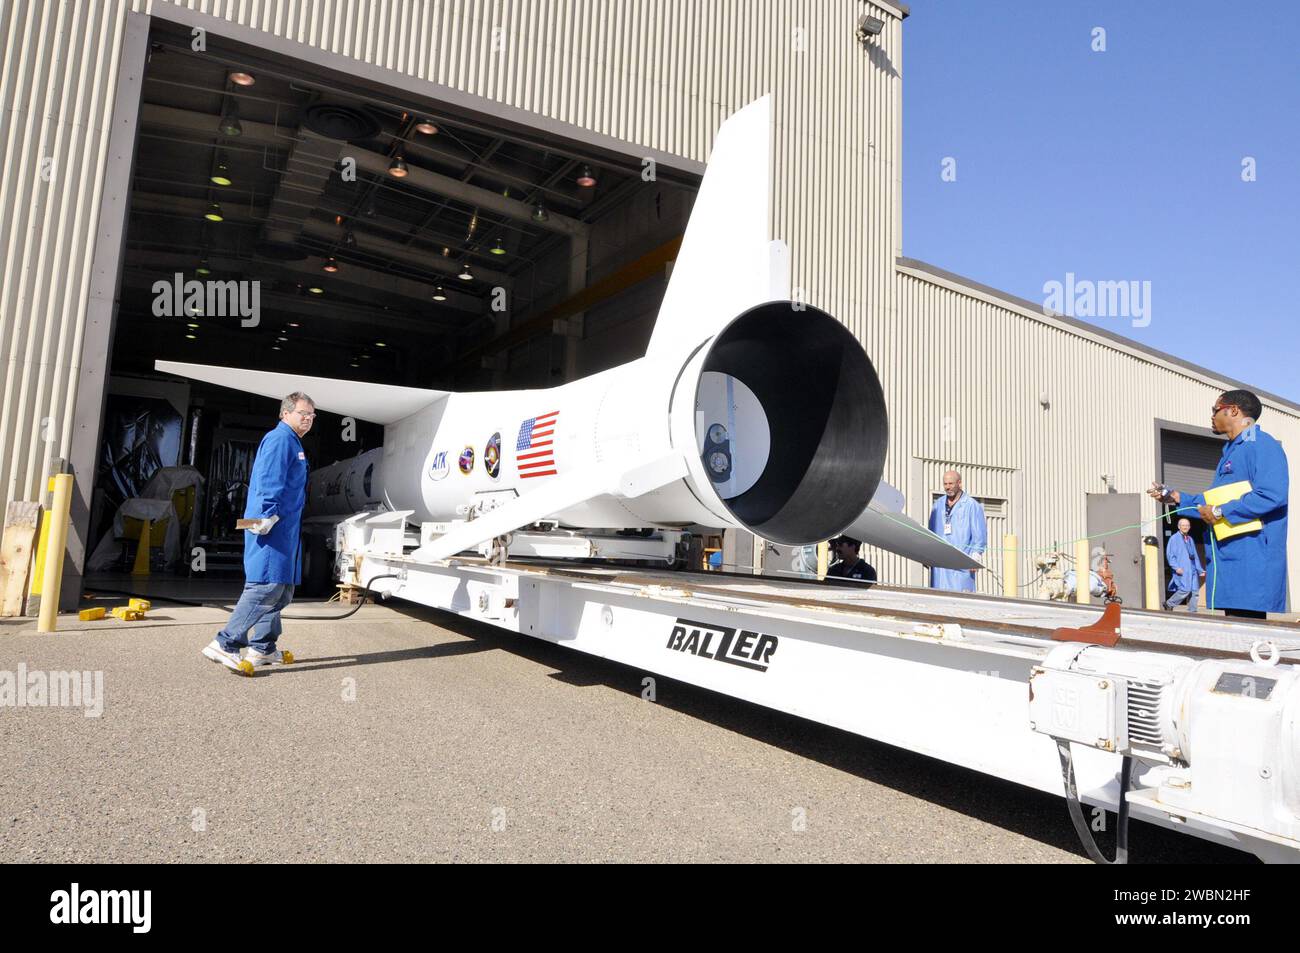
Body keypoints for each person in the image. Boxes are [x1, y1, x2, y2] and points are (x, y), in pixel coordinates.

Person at [1148, 389, 1288, 618]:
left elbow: (1272, 495)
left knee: (1247, 634)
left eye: (1215, 410)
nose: (1212, 416)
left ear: (1233, 410)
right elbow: (1210, 502)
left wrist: (1221, 511)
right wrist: (1175, 497)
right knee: (1235, 634)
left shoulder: (1261, 445)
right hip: (1231, 559)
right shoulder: (1232, 453)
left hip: (1251, 559)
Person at [202, 392, 314, 671]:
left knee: (282, 590)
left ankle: (263, 647)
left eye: (312, 416)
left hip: (285, 529)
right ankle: (225, 643)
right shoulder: (280, 440)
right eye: (303, 413)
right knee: (266, 586)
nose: (308, 419)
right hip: (271, 526)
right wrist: (264, 517)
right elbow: (268, 481)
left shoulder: (292, 442)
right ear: (285, 413)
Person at [927, 470, 987, 591]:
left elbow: (979, 536)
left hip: (961, 566)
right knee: (938, 599)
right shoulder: (937, 505)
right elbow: (930, 532)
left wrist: (975, 557)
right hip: (940, 566)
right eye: (945, 484)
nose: (947, 487)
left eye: (951, 483)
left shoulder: (971, 505)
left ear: (959, 483)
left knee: (960, 601)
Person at [1164, 517, 1205, 612]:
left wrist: (1199, 570)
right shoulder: (1174, 538)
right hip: (1183, 568)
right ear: (1179, 527)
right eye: (1183, 525)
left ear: (1189, 527)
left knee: (1195, 591)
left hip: (1193, 568)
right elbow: (1170, 554)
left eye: (1187, 525)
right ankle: (1169, 603)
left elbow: (1195, 555)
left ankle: (1192, 611)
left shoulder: (1190, 539)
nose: (1185, 527)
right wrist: (1176, 567)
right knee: (1185, 589)